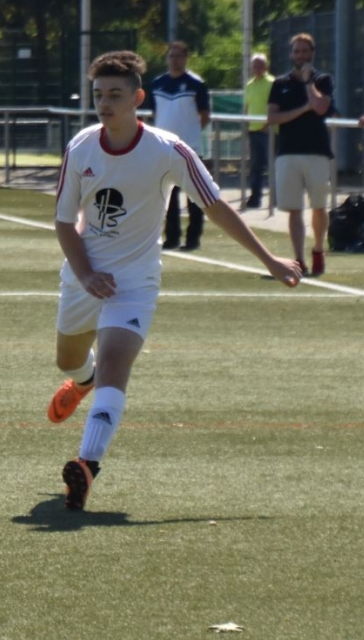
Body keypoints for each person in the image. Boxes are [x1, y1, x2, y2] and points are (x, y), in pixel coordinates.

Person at [45, 51, 301, 511]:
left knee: (116, 362)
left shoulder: (169, 150)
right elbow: (64, 222)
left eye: (115, 95)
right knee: (68, 359)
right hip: (84, 274)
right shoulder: (81, 147)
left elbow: (216, 207)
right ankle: (84, 381)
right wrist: (84, 273)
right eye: (98, 95)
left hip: (135, 281)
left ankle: (87, 464)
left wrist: (270, 259)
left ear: (138, 98)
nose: (104, 104)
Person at [267, 33, 335, 277]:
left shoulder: (323, 80)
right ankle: (298, 258)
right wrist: (303, 109)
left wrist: (308, 84)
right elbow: (272, 117)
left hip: (317, 152)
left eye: (305, 51)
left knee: (319, 206)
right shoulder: (280, 83)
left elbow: (320, 107)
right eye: (296, 51)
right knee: (294, 209)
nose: (300, 55)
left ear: (312, 53)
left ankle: (317, 249)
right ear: (291, 54)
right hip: (288, 152)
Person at [149, 41, 211, 251]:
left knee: (194, 196)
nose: (175, 60)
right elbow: (155, 113)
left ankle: (193, 239)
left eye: (179, 56)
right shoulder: (157, 84)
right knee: (168, 196)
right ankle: (172, 237)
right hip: (163, 149)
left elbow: (205, 115)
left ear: (186, 58)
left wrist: (190, 135)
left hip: (190, 148)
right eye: (171, 56)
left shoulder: (196, 84)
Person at [244, 53, 275, 209]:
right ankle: (255, 198)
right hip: (253, 130)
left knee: (272, 165)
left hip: (269, 131)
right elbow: (247, 107)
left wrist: (268, 125)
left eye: (260, 65)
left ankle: (276, 198)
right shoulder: (249, 85)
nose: (257, 68)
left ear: (266, 66)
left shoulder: (272, 83)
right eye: (254, 65)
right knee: (255, 167)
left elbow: (276, 106)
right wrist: (245, 125)